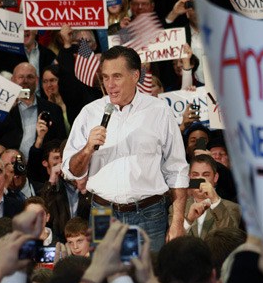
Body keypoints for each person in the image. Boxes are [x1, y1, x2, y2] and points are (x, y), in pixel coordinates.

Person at [62, 46, 189, 251]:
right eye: (105, 77)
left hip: (149, 214)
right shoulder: (89, 113)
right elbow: (71, 171)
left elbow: (177, 170)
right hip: (103, 214)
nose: (110, 85)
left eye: (117, 76)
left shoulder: (159, 111)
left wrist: (177, 223)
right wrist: (87, 149)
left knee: (148, 280)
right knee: (108, 280)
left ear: (135, 75)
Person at [0, 62, 66, 157]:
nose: (25, 81)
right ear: (13, 80)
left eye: (30, 77)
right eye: (21, 77)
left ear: (36, 80)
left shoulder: (53, 109)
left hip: (40, 164)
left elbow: (59, 141)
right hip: (9, 165)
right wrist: (7, 109)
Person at [176, 155, 241, 239]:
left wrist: (215, 200)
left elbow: (230, 238)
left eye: (206, 175)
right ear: (189, 178)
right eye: (195, 175)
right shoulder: (178, 208)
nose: (200, 179)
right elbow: (173, 242)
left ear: (215, 177)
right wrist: (188, 221)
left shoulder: (232, 207)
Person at [40, 65, 70, 133]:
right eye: (45, 81)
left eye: (52, 80)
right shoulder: (41, 108)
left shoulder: (73, 104)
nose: (48, 85)